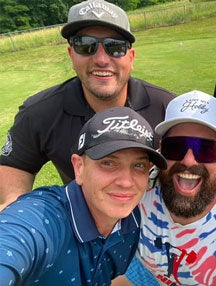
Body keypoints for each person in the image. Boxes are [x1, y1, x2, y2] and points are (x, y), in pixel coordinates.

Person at [0, 0, 175, 210]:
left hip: (152, 227)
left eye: (115, 47)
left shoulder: (167, 107)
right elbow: (15, 164)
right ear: (71, 54)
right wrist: (20, 212)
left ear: (131, 57)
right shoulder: (40, 112)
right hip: (84, 232)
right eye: (85, 45)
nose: (101, 59)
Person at [114, 90, 216, 285]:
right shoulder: (136, 195)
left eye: (206, 150)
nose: (189, 160)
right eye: (176, 147)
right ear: (161, 150)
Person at [0, 107, 167, 284]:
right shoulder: (43, 221)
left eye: (138, 165)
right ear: (79, 167)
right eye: (109, 163)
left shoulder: (131, 220)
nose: (126, 182)